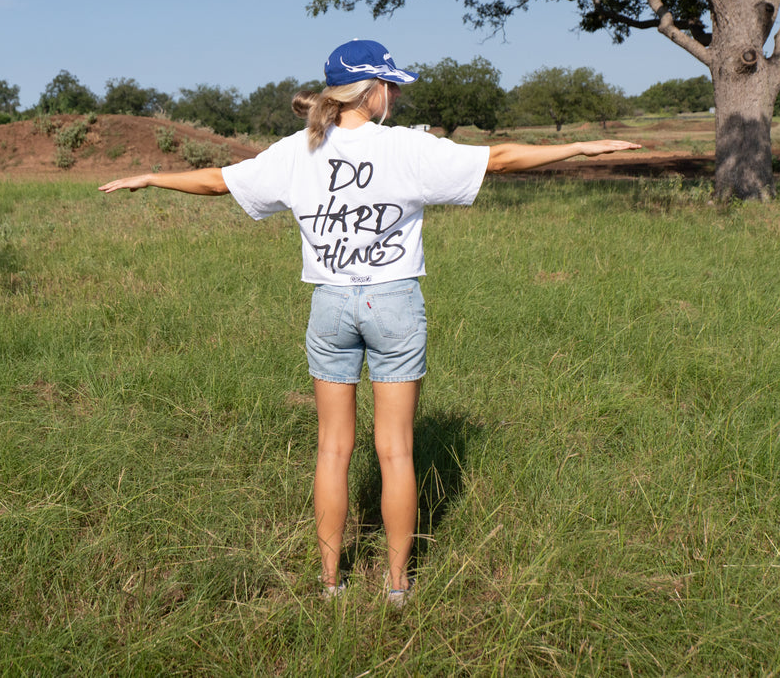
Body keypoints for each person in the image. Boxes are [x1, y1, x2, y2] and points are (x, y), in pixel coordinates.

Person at [99, 39, 640, 606]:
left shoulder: (297, 150)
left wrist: (152, 178)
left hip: (330, 305)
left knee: (333, 449)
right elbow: (500, 159)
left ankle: (329, 582)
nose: (396, 96)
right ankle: (398, 585)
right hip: (394, 303)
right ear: (371, 89)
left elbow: (217, 181)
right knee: (396, 451)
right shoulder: (407, 147)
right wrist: (580, 147)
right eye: (392, 85)